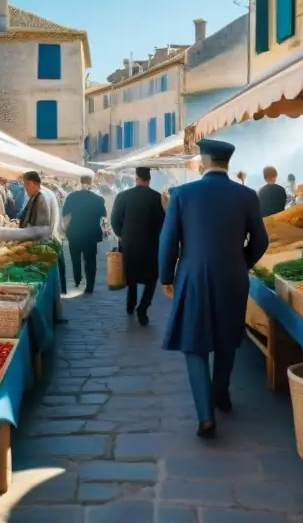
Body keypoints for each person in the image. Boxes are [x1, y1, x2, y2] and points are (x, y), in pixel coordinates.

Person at [159, 140, 269, 438]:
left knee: (194, 343)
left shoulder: (182, 194)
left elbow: (169, 241)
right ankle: (221, 393)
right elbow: (261, 241)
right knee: (227, 337)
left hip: (193, 276)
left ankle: (205, 416)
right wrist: (240, 263)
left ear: (203, 162)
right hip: (233, 276)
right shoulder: (247, 195)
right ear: (228, 163)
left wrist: (166, 277)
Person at [111, 166, 165, 326]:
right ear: (149, 180)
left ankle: (131, 303)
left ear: (136, 178)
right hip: (151, 245)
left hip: (129, 244)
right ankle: (143, 308)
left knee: (131, 275)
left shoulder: (123, 196)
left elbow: (114, 220)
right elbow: (163, 223)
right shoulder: (157, 198)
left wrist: (122, 235)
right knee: (151, 278)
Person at [62, 176, 106, 294]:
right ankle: (90, 285)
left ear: (80, 183)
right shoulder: (98, 199)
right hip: (91, 234)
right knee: (90, 260)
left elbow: (65, 214)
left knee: (75, 259)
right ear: (91, 183)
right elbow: (103, 215)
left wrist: (65, 228)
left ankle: (77, 279)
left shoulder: (72, 197)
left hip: (74, 233)